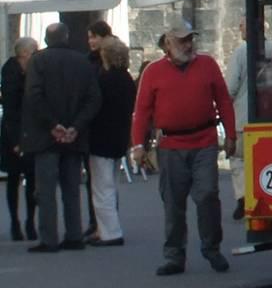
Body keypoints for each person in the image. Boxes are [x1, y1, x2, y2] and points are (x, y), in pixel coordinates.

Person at [130, 18, 236, 275]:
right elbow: (142, 111)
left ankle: (212, 247)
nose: (188, 45)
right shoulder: (153, 72)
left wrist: (231, 134)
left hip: (204, 140)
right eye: (182, 40)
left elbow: (223, 99)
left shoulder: (207, 65)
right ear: (168, 42)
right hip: (171, 144)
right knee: (173, 203)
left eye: (190, 39)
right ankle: (174, 255)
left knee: (208, 194)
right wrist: (138, 145)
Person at [20, 21, 101, 253]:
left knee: (45, 190)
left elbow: (34, 95)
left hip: (45, 136)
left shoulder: (38, 61)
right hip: (74, 136)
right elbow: (93, 98)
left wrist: (53, 124)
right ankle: (74, 235)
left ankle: (49, 238)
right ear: (67, 37)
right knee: (71, 188)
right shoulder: (82, 61)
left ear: (46, 39)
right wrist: (75, 126)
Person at [86, 37, 135, 247]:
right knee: (110, 184)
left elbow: (94, 107)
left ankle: (110, 232)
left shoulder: (103, 80)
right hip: (119, 136)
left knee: (101, 187)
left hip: (101, 138)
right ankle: (106, 229)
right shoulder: (127, 79)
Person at [2, 37, 39, 242]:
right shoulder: (10, 72)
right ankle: (15, 222)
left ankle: (30, 222)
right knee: (14, 177)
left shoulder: (33, 70)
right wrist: (16, 140)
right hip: (13, 131)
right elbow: (10, 110)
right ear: (24, 53)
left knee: (32, 178)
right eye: (34, 51)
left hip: (31, 130)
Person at [223, 21, 250, 220]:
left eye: (242, 25)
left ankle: (243, 195)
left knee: (238, 158)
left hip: (242, 116)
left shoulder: (240, 53)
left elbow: (230, 88)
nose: (240, 29)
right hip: (268, 115)